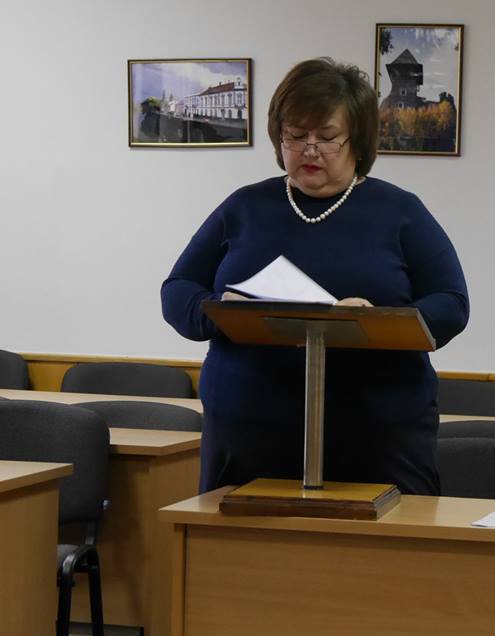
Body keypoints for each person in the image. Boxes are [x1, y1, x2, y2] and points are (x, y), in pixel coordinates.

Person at [161, 57, 469, 494]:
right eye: (295, 135)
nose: (309, 150)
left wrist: (376, 322)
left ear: (358, 140)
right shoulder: (244, 207)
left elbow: (451, 303)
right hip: (247, 434)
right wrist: (221, 312)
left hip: (375, 437)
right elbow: (177, 290)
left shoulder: (400, 212)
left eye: (326, 138)